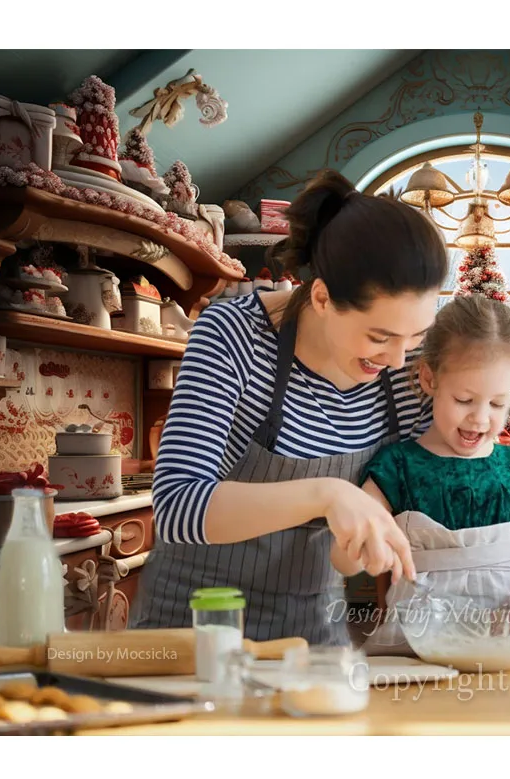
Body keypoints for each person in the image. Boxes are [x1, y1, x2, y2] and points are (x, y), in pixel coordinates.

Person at [130, 170, 448, 643]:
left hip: (311, 633)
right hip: (191, 628)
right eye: (379, 337)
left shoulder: (408, 373)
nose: (398, 359)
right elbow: (177, 507)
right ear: (321, 297)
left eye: (415, 337)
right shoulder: (234, 335)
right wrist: (327, 495)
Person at [342, 295, 510, 654]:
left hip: (505, 650)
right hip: (413, 651)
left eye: (498, 403)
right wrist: (358, 548)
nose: (480, 419)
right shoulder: (396, 467)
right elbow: (345, 554)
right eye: (464, 400)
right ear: (429, 379)